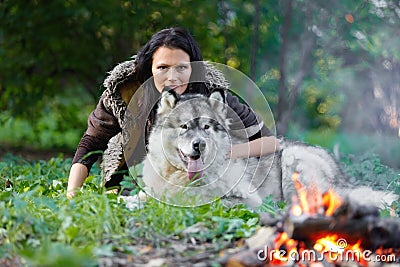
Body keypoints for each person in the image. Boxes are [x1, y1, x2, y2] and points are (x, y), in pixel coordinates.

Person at [67, 27, 280, 198]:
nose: (172, 77)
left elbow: (270, 142)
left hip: (194, 182)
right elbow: (91, 144)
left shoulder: (211, 94)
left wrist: (225, 152)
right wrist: (71, 194)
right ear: (149, 67)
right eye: (162, 68)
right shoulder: (123, 92)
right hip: (131, 179)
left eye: (181, 68)